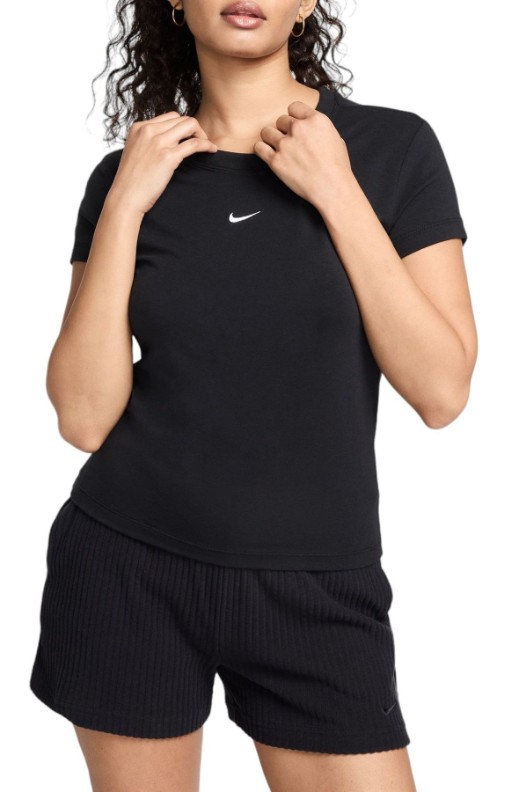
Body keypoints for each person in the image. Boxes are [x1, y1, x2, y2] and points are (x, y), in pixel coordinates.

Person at [29, 0, 477, 790]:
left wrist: (336, 191)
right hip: (128, 565)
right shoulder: (130, 173)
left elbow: (441, 390)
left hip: (316, 582)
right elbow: (83, 417)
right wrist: (126, 203)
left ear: (306, 3)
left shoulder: (389, 148)